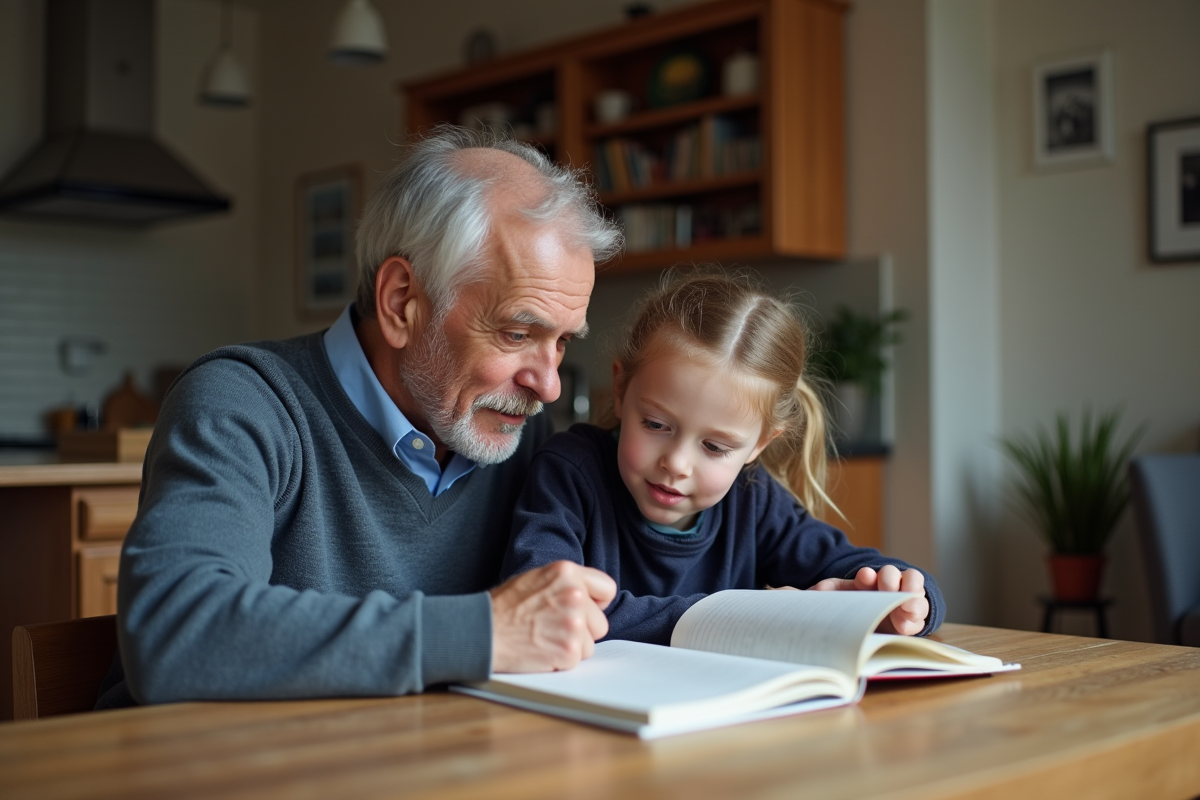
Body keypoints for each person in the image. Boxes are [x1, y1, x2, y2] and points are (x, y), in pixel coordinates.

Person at [97, 126, 623, 709]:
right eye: (517, 333)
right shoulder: (241, 404)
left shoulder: (518, 435)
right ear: (401, 301)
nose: (547, 385)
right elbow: (178, 637)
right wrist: (486, 632)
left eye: (562, 343)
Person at [501, 272, 944, 645]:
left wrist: (902, 599)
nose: (677, 463)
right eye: (656, 424)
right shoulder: (569, 472)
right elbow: (548, 605)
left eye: (714, 447)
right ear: (620, 391)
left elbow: (851, 565)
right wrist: (742, 615)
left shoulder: (753, 500)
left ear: (758, 447)